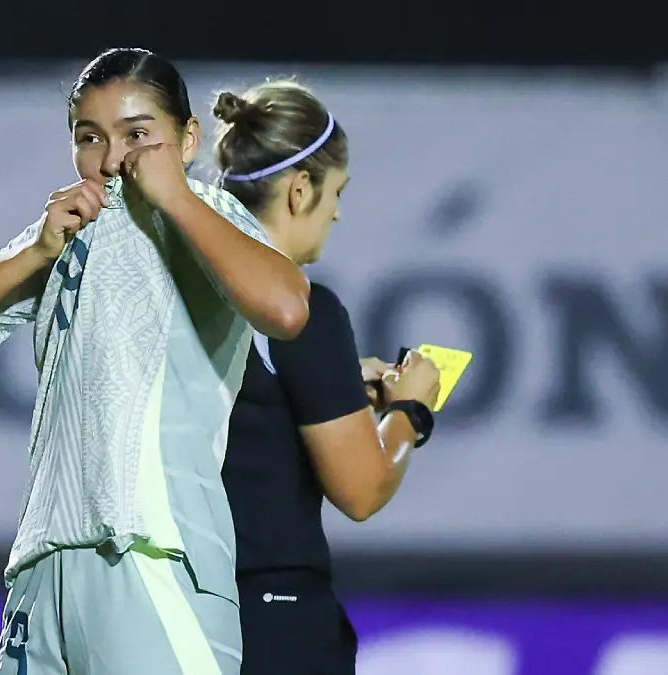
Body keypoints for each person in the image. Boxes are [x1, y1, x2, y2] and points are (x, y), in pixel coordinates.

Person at [0, 49, 312, 675]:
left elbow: (286, 308)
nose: (114, 159)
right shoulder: (68, 237)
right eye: (90, 138)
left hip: (153, 557)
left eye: (139, 135)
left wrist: (178, 198)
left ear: (188, 139)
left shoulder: (207, 216)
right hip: (43, 570)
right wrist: (31, 253)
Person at [212, 80, 443, 674]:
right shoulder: (302, 312)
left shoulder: (171, 291)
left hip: (166, 610)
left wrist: (332, 383)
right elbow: (362, 490)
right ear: (298, 189)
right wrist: (409, 413)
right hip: (272, 619)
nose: (337, 210)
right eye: (336, 190)